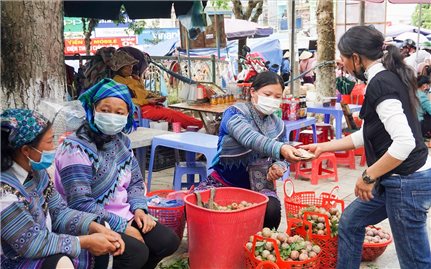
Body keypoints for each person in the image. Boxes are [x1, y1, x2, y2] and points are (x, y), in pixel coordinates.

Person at [303, 26, 431, 269]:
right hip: (395, 177)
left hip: (407, 182)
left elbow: (404, 142)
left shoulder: (381, 83)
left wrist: (368, 175)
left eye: (343, 58)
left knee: (415, 262)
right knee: (351, 222)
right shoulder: (386, 76)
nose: (343, 65)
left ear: (356, 58)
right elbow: (369, 133)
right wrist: (323, 147)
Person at [54, 78, 180, 269]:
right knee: (136, 253)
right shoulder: (76, 148)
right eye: (105, 110)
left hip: (124, 213)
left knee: (167, 241)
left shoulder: (121, 142)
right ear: (93, 109)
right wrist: (123, 228)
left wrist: (139, 209)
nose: (112, 116)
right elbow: (79, 203)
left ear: (128, 115)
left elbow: (136, 182)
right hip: (87, 219)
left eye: (119, 112)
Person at [1, 109, 127, 269]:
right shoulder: (4, 193)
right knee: (62, 263)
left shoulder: (37, 172)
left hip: (42, 240)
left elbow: (59, 211)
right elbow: (32, 243)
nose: (54, 147)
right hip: (14, 258)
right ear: (26, 150)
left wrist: (92, 225)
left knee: (100, 231)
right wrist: (84, 242)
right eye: (49, 142)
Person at [195, 72, 303, 229]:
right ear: (253, 92)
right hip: (225, 182)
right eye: (267, 94)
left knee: (272, 212)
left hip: (261, 185)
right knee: (196, 205)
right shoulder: (234, 113)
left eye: (277, 96)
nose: (272, 100)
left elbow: (282, 157)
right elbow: (249, 137)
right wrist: (281, 148)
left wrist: (279, 166)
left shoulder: (278, 125)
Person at [111, 50, 203, 130]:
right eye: (127, 67)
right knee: (170, 114)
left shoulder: (132, 78)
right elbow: (126, 101)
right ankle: (200, 126)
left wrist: (155, 97)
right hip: (137, 110)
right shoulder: (117, 82)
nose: (131, 68)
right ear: (119, 68)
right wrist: (147, 101)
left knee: (173, 112)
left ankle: (199, 126)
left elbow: (143, 93)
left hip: (147, 106)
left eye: (131, 66)